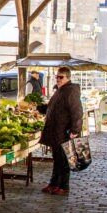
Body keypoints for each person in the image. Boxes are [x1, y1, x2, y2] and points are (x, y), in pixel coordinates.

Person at [39, 66, 83, 196]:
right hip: (55, 132)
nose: (58, 79)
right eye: (57, 77)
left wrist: (75, 130)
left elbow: (77, 112)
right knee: (57, 159)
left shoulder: (71, 91)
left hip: (64, 132)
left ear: (68, 78)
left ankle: (63, 186)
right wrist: (40, 108)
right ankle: (53, 183)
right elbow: (52, 107)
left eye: (61, 77)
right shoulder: (60, 90)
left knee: (64, 161)